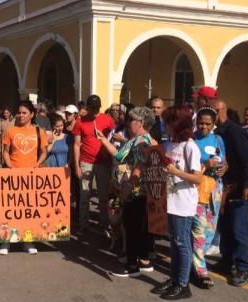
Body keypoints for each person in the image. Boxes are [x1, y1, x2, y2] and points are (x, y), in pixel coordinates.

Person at [95, 107, 157, 277]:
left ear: (141, 123)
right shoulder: (136, 139)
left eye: (131, 120)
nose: (128, 123)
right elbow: (119, 155)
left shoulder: (142, 142)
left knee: (132, 227)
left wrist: (129, 187)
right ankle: (144, 260)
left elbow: (140, 166)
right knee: (140, 227)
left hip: (137, 191)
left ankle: (132, 266)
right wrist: (103, 140)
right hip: (138, 190)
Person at [151, 105, 202, 300]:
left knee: (182, 243)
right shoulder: (170, 144)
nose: (164, 125)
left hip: (183, 203)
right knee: (174, 242)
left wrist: (175, 172)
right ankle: (174, 279)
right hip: (169, 200)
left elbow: (197, 178)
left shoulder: (190, 146)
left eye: (167, 122)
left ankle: (183, 283)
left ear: (177, 124)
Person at [211, 99, 248, 286]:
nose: (209, 115)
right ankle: (226, 260)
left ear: (222, 110)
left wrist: (247, 184)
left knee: (239, 230)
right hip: (224, 189)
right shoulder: (217, 132)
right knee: (225, 228)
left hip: (238, 188)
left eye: (213, 111)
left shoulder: (235, 131)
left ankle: (243, 268)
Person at [1, 100, 48, 255]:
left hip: (32, 177)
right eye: (19, 112)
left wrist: (37, 165)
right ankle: (6, 241)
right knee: (10, 210)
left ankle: (28, 240)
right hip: (13, 175)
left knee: (28, 210)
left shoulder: (38, 131)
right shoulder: (10, 131)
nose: (21, 115)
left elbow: (44, 152)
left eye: (24, 113)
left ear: (32, 114)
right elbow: (6, 151)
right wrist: (9, 166)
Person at [191, 107, 227, 289]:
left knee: (210, 231)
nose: (203, 126)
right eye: (201, 123)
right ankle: (201, 271)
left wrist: (224, 167)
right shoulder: (191, 140)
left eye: (207, 123)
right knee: (199, 229)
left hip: (215, 189)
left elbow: (225, 161)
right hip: (196, 189)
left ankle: (195, 261)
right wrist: (205, 164)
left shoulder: (219, 139)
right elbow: (186, 167)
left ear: (214, 124)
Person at [72, 94, 116, 235]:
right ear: (87, 107)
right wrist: (77, 165)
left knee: (103, 196)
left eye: (96, 108)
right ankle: (83, 224)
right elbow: (77, 144)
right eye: (91, 108)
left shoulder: (107, 119)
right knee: (84, 195)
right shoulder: (80, 121)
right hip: (86, 161)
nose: (94, 110)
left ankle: (104, 224)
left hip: (103, 163)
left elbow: (113, 138)